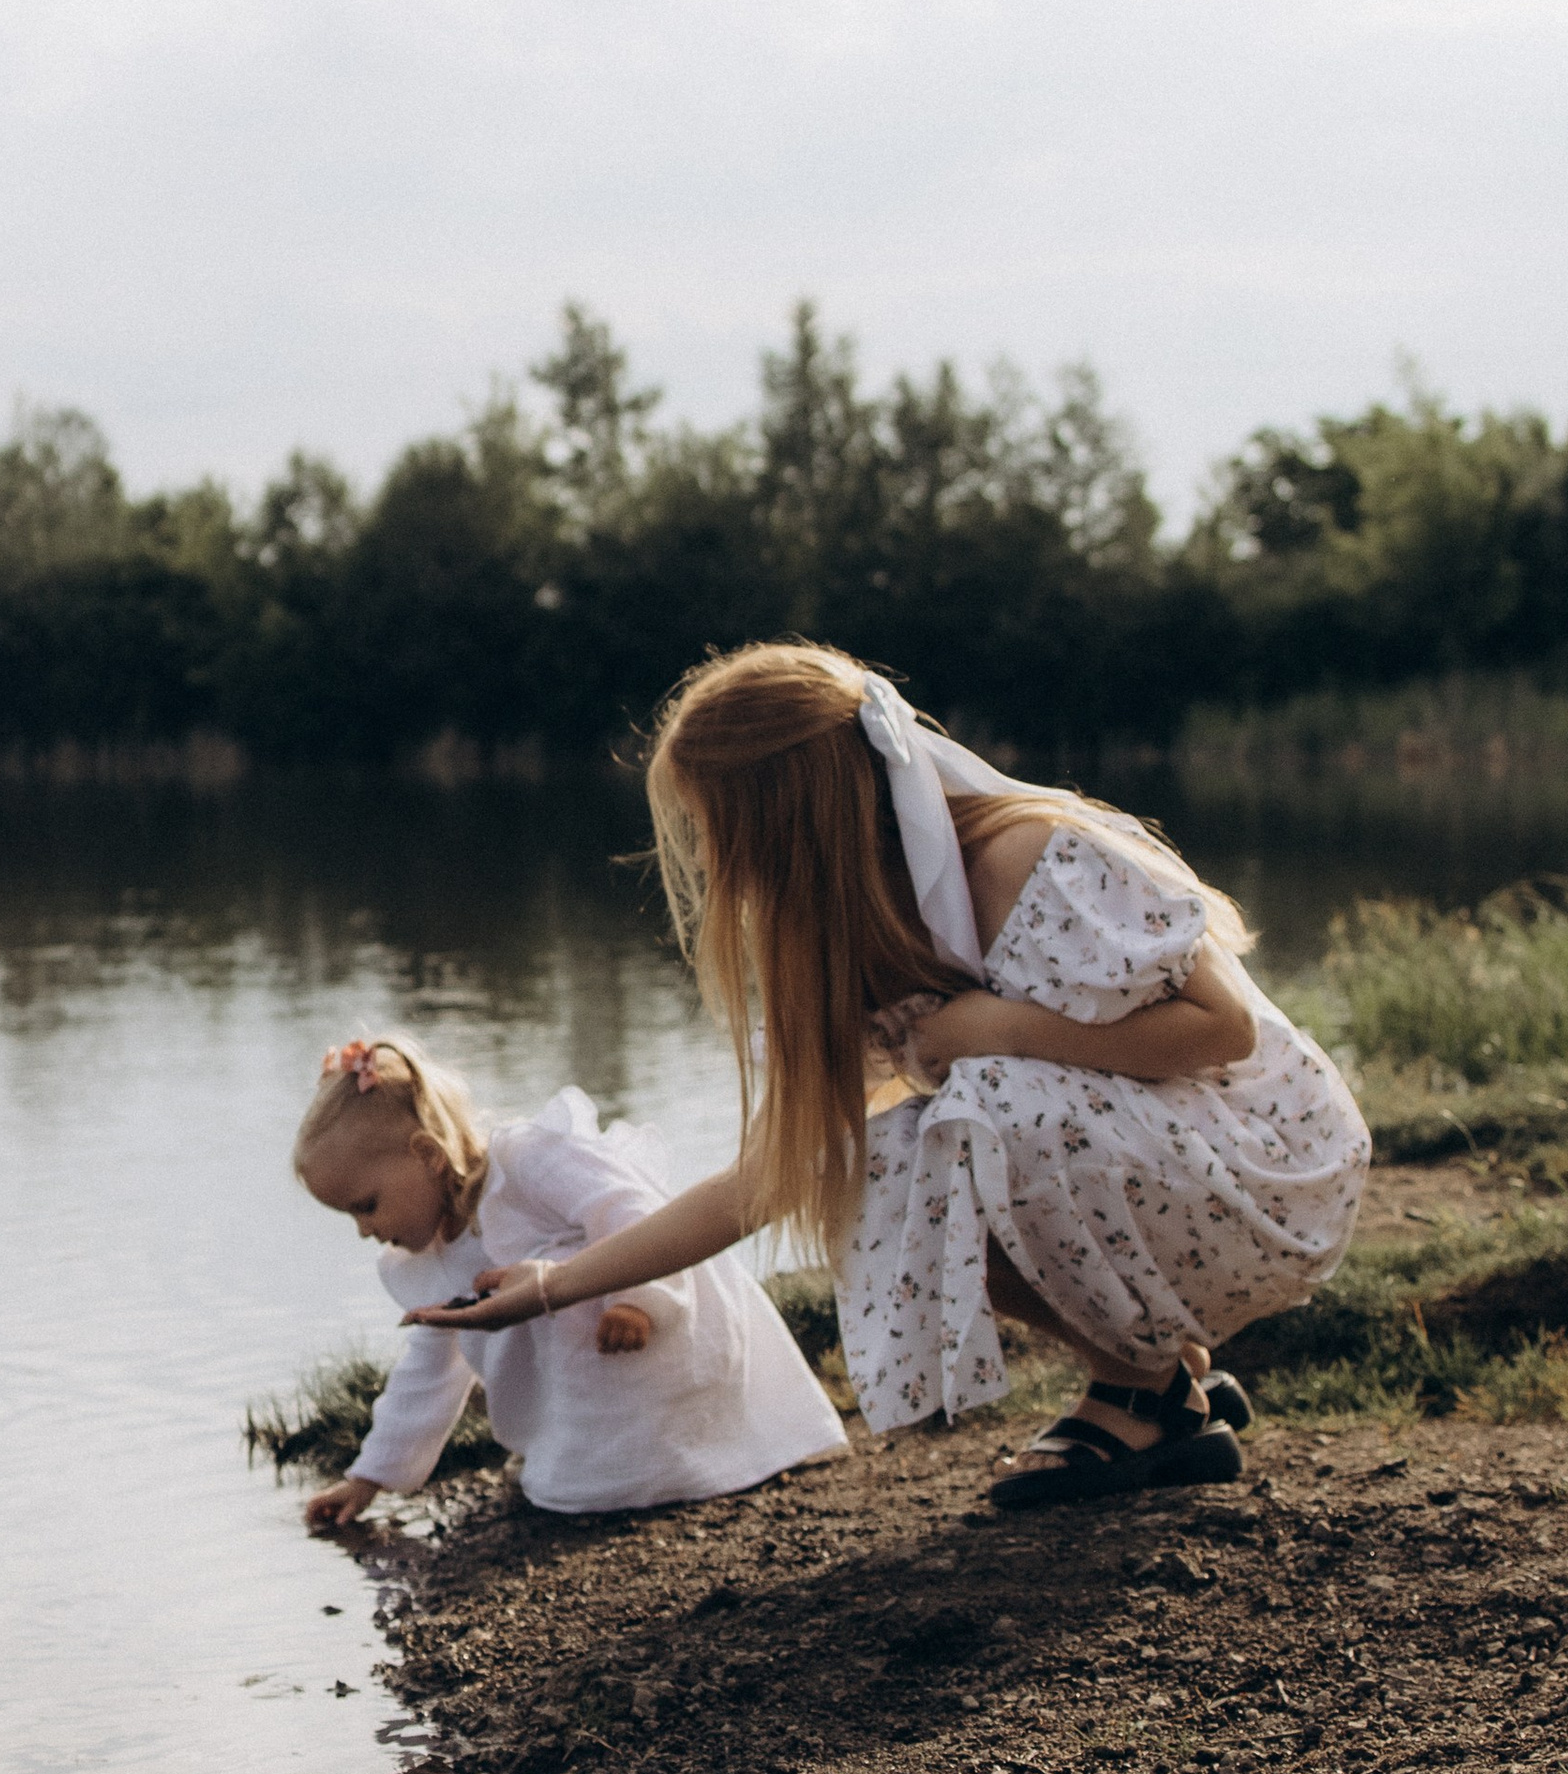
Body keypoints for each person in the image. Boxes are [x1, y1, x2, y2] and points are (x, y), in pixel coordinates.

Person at [412, 646, 1368, 1512]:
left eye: (719, 831)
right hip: (1166, 1176)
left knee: (968, 1111)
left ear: (787, 815)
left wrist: (994, 1026)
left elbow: (1223, 1029)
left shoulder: (1029, 855)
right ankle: (1153, 1376)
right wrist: (553, 1285)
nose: (716, 863)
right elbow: (771, 1177)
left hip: (1270, 1168)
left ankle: (1144, 1395)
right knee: (874, 1163)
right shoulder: (860, 941)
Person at [292, 1032, 847, 1529]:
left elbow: (633, 1213)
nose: (365, 1231)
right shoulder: (437, 1257)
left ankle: (697, 1460)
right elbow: (428, 1372)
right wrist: (368, 1478)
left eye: (367, 1205)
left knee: (578, 1295)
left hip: (654, 1330)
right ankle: (607, 1478)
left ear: (427, 1156)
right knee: (579, 1492)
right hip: (590, 1395)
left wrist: (636, 1299)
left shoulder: (529, 1160)